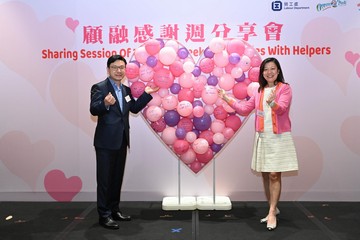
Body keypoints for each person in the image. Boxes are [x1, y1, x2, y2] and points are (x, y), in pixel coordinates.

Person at [218, 57, 298, 231]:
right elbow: (244, 109)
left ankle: (270, 213)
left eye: (272, 69)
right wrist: (226, 98)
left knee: (275, 174)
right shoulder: (259, 91)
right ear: (262, 73)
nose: (269, 72)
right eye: (265, 69)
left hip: (278, 137)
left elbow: (282, 108)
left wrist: (273, 103)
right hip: (263, 137)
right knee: (265, 174)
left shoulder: (285, 88)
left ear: (278, 71)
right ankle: (273, 207)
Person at [90, 55, 159, 230]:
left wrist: (146, 94)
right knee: (105, 180)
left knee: (116, 178)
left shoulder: (127, 91)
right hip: (105, 143)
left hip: (121, 140)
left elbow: (133, 109)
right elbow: (93, 109)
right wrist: (104, 104)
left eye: (122, 67)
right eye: (115, 67)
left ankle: (114, 210)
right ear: (108, 69)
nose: (119, 71)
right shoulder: (99, 88)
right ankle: (104, 215)